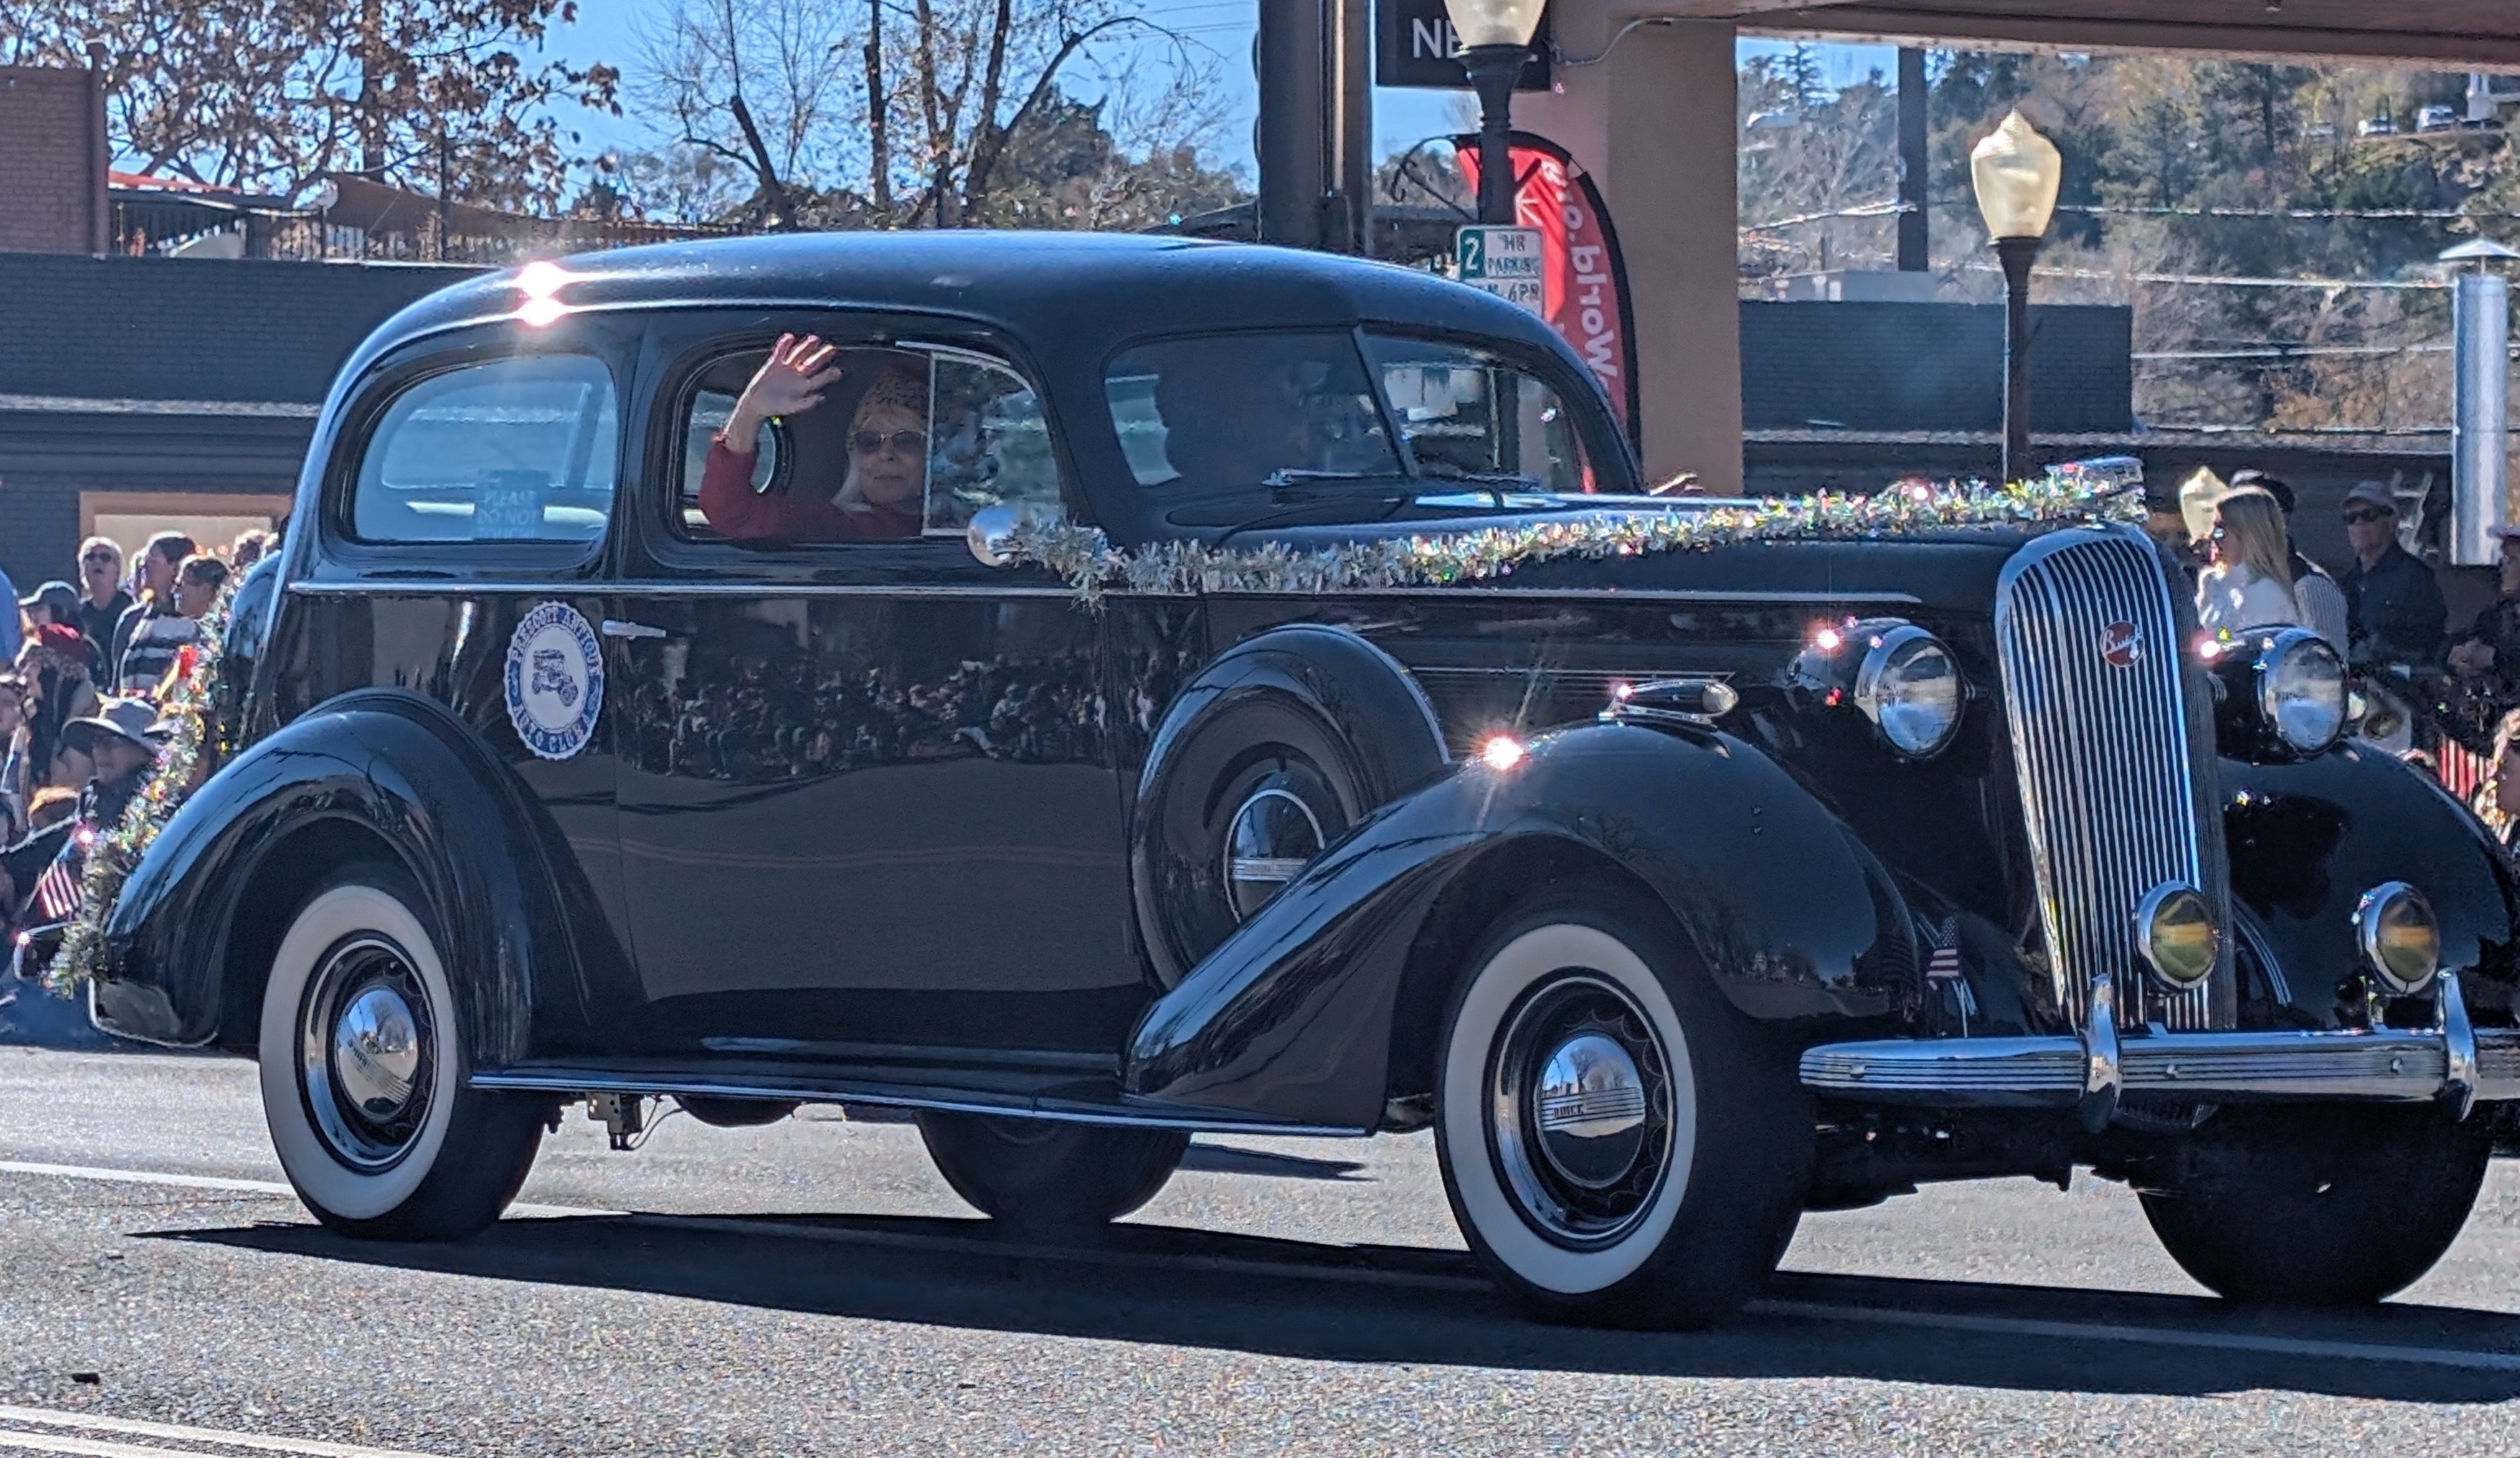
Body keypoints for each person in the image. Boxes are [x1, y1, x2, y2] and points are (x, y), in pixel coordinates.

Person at [696, 333, 927, 542]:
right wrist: (750, 412)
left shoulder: (950, 535)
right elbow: (732, 514)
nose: (885, 454)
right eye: (869, 442)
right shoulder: (843, 528)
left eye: (906, 441)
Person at [0, 698, 159, 937]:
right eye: (96, 740)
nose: (100, 751)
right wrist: (10, 863)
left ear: (145, 751)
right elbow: (67, 837)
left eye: (113, 740)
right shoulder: (96, 800)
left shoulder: (156, 808)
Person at [2227, 469, 2349, 649]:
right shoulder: (2227, 588)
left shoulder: (2309, 586)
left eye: (2246, 516)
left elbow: (2329, 662)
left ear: (2278, 521)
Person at [2336, 480, 2446, 665]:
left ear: (2392, 522)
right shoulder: (2346, 584)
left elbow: (2429, 646)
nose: (2359, 523)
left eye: (2369, 515)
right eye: (2351, 518)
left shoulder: (2417, 578)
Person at [2196, 488, 2306, 636]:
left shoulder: (2266, 594)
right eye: (2213, 530)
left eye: (2221, 532)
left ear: (2249, 536)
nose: (2212, 538)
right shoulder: (2212, 583)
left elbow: (2240, 644)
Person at [116, 553, 225, 696]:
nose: (175, 591)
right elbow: (130, 667)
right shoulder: (158, 624)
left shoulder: (220, 635)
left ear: (206, 590)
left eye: (182, 585)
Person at [108, 531, 196, 686]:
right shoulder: (132, 618)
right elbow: (117, 682)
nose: (143, 566)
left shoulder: (194, 622)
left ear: (176, 568)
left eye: (152, 561)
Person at [74, 537, 131, 665]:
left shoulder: (130, 610)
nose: (97, 561)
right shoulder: (78, 613)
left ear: (117, 570)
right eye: (90, 557)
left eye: (105, 557)